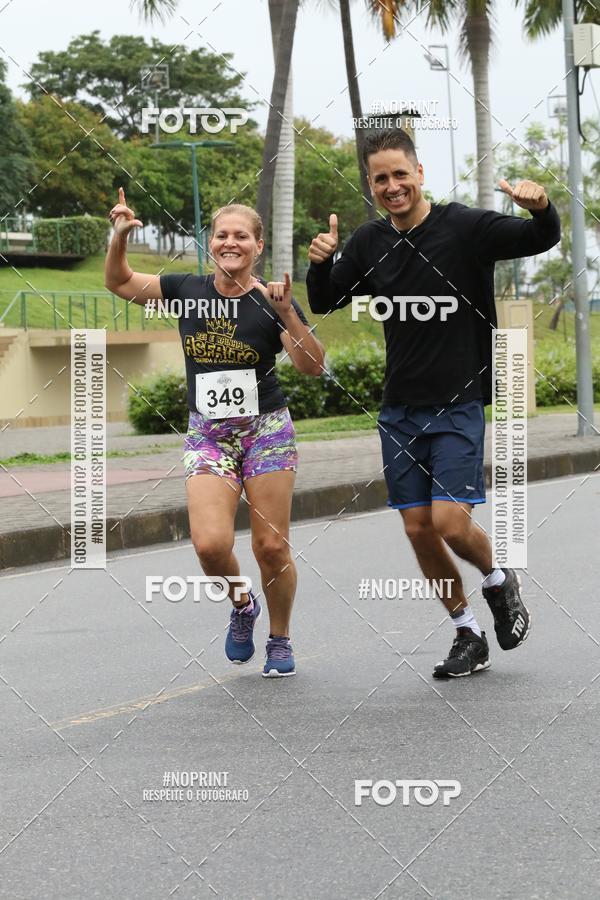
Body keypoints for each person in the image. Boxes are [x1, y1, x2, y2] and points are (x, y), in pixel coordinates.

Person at [306, 128, 561, 678]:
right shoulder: (371, 242)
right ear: (371, 185)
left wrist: (542, 209)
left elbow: (540, 239)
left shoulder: (464, 227)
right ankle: (466, 633)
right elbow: (326, 300)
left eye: (401, 174)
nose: (392, 186)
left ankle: (498, 580)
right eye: (381, 178)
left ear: (419, 173)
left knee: (448, 521)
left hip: (458, 401)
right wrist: (322, 262)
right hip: (398, 408)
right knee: (418, 529)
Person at [105, 189, 324, 677]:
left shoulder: (272, 300)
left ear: (257, 246)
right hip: (208, 435)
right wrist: (118, 236)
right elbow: (119, 282)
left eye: (241, 236)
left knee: (271, 547)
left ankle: (281, 638)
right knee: (209, 544)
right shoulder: (186, 288)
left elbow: (313, 366)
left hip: (266, 432)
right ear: (211, 243)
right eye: (222, 235)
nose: (231, 243)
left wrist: (288, 312)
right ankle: (242, 604)